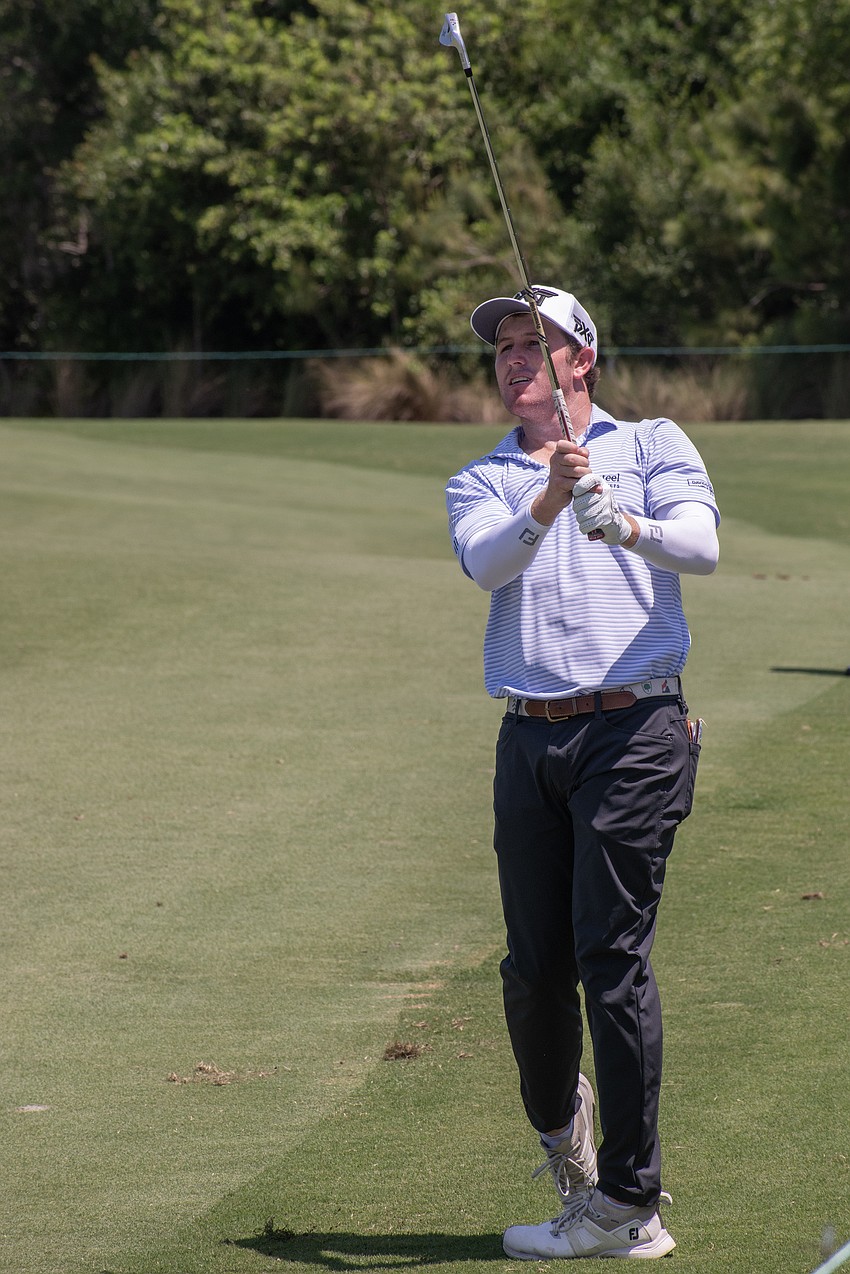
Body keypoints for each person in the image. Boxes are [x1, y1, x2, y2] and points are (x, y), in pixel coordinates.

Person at [446, 285, 720, 1260]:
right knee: (532, 972)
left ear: (581, 360)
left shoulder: (649, 443)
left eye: (537, 343)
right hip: (529, 736)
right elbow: (487, 565)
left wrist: (627, 524)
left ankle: (629, 1204)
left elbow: (702, 545)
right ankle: (568, 1140)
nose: (516, 358)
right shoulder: (480, 477)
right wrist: (552, 498)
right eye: (506, 346)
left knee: (611, 963)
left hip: (635, 726)